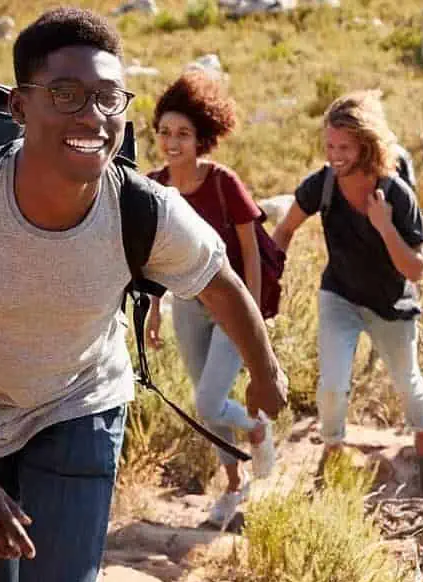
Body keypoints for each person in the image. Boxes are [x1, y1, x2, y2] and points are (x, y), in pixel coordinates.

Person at [0, 8, 287, 582]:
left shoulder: (143, 209)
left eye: (107, 98)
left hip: (77, 402)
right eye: (65, 95)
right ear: (18, 107)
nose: (91, 116)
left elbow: (221, 282)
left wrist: (265, 371)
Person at [272, 90, 423, 493]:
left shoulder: (397, 194)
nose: (334, 155)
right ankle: (331, 456)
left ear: (366, 145)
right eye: (329, 146)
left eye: (344, 147)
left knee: (407, 382)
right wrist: (268, 272)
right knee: (332, 384)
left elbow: (416, 270)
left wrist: (384, 226)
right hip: (340, 296)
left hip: (391, 305)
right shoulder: (323, 185)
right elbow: (285, 228)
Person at [146, 71, 276, 526]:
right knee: (209, 404)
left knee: (207, 402)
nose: (172, 141)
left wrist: (253, 314)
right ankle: (234, 488)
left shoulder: (223, 183)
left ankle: (258, 429)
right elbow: (153, 258)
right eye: (164, 132)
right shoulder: (154, 187)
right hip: (185, 304)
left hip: (231, 307)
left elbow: (251, 253)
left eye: (183, 133)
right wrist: (154, 309)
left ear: (202, 136)